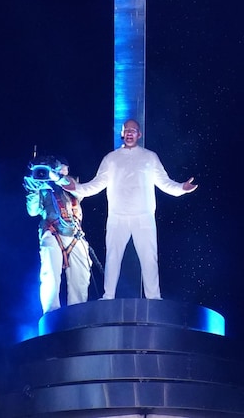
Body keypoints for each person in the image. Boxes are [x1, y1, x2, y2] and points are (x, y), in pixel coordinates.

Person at [63, 120, 197, 300]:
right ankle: (108, 296)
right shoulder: (111, 158)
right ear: (122, 133)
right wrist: (76, 188)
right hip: (118, 217)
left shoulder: (150, 157)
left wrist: (181, 188)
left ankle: (154, 298)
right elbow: (96, 185)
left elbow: (165, 183)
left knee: (149, 258)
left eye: (133, 130)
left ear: (139, 134)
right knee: (112, 258)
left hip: (143, 216)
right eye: (126, 130)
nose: (130, 133)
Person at [24, 155, 91, 314]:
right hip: (52, 233)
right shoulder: (42, 186)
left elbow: (80, 192)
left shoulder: (72, 185)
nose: (59, 170)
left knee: (81, 278)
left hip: (75, 235)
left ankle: (78, 314)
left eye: (62, 167)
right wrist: (32, 189)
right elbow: (32, 211)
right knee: (50, 276)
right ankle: (51, 315)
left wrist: (57, 177)